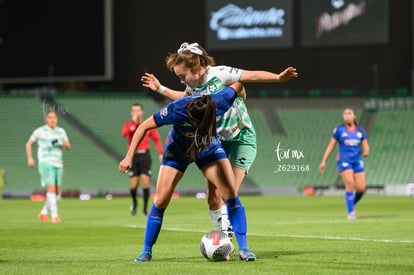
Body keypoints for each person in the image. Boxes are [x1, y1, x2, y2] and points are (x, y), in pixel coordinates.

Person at [141, 42, 298, 238]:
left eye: (182, 76)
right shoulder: (192, 88)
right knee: (213, 198)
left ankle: (228, 240)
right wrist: (161, 89)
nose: (181, 80)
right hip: (216, 140)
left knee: (228, 193)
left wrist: (278, 77)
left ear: (195, 68)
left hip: (241, 138)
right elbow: (184, 99)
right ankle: (219, 239)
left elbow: (251, 76)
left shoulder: (220, 73)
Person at [119, 82, 257, 262]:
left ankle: (244, 249)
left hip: (207, 148)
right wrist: (128, 156)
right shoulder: (177, 108)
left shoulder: (219, 101)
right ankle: (146, 251)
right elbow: (144, 126)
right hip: (178, 151)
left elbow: (238, 84)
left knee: (230, 193)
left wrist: (242, 95)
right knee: (160, 199)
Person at [319, 107, 370, 220]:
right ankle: (351, 213)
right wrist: (324, 161)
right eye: (345, 114)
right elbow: (331, 145)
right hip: (344, 160)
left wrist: (366, 151)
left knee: (361, 188)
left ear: (354, 116)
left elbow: (365, 144)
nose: (346, 116)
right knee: (350, 184)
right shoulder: (339, 130)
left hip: (357, 161)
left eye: (349, 113)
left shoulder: (360, 130)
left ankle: (351, 203)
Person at [26, 111, 71, 223]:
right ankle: (55, 216)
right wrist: (30, 158)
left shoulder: (61, 131)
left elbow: (68, 147)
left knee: (57, 193)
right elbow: (29, 144)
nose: (52, 120)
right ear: (46, 119)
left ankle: (43, 212)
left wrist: (66, 145)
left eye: (54, 117)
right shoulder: (40, 131)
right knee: (50, 188)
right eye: (50, 117)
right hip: (45, 162)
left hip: (58, 163)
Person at [122, 103, 164, 216]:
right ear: (131, 113)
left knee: (145, 183)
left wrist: (160, 153)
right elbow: (124, 134)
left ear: (142, 112)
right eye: (134, 110)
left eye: (138, 110)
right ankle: (135, 202)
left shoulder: (148, 125)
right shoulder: (128, 125)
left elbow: (156, 139)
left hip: (145, 156)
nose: (136, 112)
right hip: (133, 157)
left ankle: (145, 209)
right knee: (133, 185)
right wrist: (135, 124)